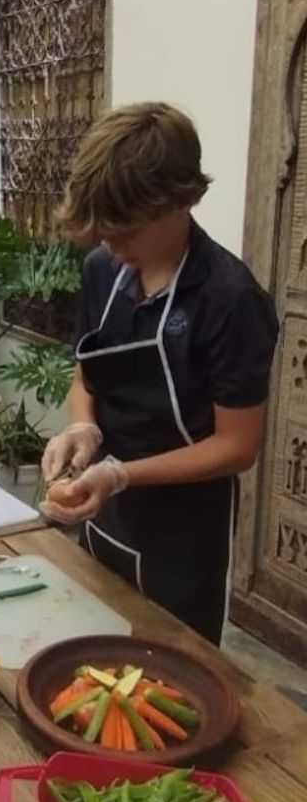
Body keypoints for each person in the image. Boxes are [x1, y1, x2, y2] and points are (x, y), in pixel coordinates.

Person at [41, 103, 278, 645]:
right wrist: (83, 430)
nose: (112, 248)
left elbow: (237, 447)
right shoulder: (105, 269)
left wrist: (122, 474)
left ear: (181, 201)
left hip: (181, 532)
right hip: (102, 512)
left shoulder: (229, 299)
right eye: (103, 234)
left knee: (167, 680)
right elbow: (88, 378)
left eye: (124, 232)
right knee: (91, 652)